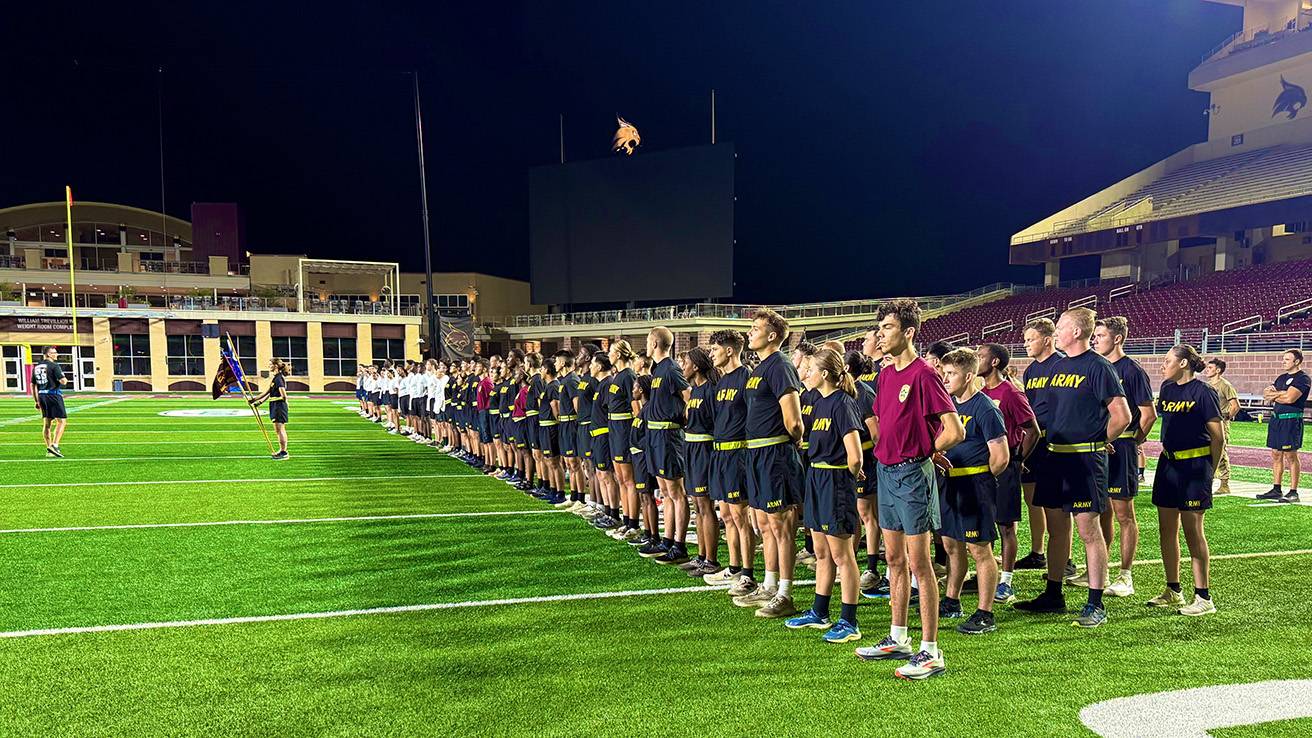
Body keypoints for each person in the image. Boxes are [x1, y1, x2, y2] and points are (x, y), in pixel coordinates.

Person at [854, 299, 964, 681]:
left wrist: (926, 454)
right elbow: (888, 426)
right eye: (879, 328)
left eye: (886, 327)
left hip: (911, 476)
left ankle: (931, 650)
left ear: (909, 331)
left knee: (919, 564)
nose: (880, 334)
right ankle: (898, 637)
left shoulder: (924, 374)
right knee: (894, 561)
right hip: (886, 473)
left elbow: (954, 430)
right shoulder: (885, 375)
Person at [1013, 307, 1130, 629]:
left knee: (1088, 531)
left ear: (1077, 332)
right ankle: (1053, 594)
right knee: (1057, 528)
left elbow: (1122, 416)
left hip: (1084, 460)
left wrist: (1097, 440)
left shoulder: (1099, 366)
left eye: (1062, 326)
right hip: (1055, 456)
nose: (1058, 331)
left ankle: (1095, 602)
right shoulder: (1058, 367)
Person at [783, 348, 865, 643]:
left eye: (810, 369)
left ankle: (849, 620)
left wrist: (851, 473)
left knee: (842, 554)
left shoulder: (843, 404)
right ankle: (820, 612)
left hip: (834, 481)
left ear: (825, 374)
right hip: (817, 478)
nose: (806, 373)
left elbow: (855, 455)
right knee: (821, 552)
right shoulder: (820, 401)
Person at [731, 308, 805, 619]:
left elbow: (794, 419)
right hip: (757, 454)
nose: (750, 333)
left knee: (781, 525)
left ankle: (785, 593)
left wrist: (793, 440)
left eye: (756, 328)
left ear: (772, 335)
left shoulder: (780, 365)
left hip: (775, 453)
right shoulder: (760, 368)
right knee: (763, 523)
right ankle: (770, 583)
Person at [1148, 344, 1223, 616]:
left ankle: (1203, 597)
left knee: (1193, 531)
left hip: (1195, 465)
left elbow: (1219, 437)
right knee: (1166, 529)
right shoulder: (1167, 390)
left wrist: (1208, 471)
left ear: (1183, 364)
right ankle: (1173, 590)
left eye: (1167, 360)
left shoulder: (1204, 392)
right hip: (1168, 464)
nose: (1162, 365)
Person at [937, 348, 1008, 635]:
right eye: (944, 373)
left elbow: (1000, 457)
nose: (946, 379)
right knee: (952, 544)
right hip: (950, 483)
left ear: (968, 376)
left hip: (975, 485)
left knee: (980, 549)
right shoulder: (949, 404)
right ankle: (952, 600)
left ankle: (985, 612)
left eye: (951, 374)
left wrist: (981, 480)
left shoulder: (985, 408)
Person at [1087, 316, 1156, 598]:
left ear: (1117, 339)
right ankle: (1098, 571)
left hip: (1121, 447)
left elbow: (1148, 414)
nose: (1095, 340)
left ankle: (1125, 575)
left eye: (1100, 335)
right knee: (1099, 510)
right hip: (1100, 449)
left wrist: (1133, 441)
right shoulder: (1097, 367)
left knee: (1124, 513)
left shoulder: (1132, 370)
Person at [977, 342, 1038, 605]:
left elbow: (1032, 429)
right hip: (983, 467)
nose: (976, 359)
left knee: (1006, 525)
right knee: (984, 522)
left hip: (1006, 465)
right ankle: (986, 574)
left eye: (980, 356)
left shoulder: (1011, 393)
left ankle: (1006, 581)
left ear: (994, 362)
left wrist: (1018, 458)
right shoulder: (980, 392)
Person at [710, 330, 758, 591]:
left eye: (715, 349)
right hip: (720, 453)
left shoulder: (745, 377)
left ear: (729, 350)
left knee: (740, 515)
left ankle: (748, 574)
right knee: (726, 513)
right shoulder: (721, 381)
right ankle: (734, 567)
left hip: (737, 453)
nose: (712, 354)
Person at [1017, 318, 1065, 575]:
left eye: (1030, 339)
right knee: (1032, 499)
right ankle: (1037, 552)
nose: (1025, 344)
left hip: (1057, 442)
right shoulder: (1031, 370)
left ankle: (1064, 557)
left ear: (1047, 339)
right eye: (1025, 340)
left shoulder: (1063, 365)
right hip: (1035, 440)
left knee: (1056, 504)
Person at [646, 327, 693, 565]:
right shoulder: (657, 370)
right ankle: (667, 540)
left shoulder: (671, 368)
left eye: (648, 340)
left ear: (655, 343)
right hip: (656, 436)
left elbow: (689, 395)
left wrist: (683, 419)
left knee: (676, 492)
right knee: (665, 492)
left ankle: (679, 544)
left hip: (668, 436)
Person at [848, 350, 889, 599]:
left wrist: (875, 459)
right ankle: (850, 561)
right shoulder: (846, 390)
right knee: (855, 512)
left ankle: (872, 568)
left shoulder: (863, 392)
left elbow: (876, 432)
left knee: (867, 514)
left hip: (867, 459)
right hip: (853, 459)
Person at [681, 346, 722, 576]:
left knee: (706, 506)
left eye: (686, 362)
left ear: (696, 366)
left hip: (704, 451)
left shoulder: (710, 390)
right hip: (692, 448)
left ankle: (711, 560)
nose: (682, 367)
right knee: (697, 506)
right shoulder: (696, 390)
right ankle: (701, 556)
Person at [1257, 349, 1307, 504]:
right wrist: (1281, 394)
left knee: (1290, 455)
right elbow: (1266, 394)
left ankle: (1293, 492)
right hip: (1276, 420)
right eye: (1283, 359)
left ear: (1297, 361)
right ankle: (1276, 488)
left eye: (1287, 359)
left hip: (1291, 420)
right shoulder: (1281, 378)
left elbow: (1290, 399)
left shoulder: (1303, 378)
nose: (1283, 362)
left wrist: (1277, 395)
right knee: (1276, 454)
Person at [1203, 358, 1239, 496]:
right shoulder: (1206, 385)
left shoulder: (1225, 385)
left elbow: (1235, 406)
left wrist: (1225, 417)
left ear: (1218, 370)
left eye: (1210, 368)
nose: (1207, 370)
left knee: (1221, 452)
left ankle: (1224, 483)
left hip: (1220, 421)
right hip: (1207, 421)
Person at [250, 357, 292, 460]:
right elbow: (268, 392)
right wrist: (256, 400)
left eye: (270, 364)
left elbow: (283, 395)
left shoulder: (279, 378)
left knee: (280, 429)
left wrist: (281, 400)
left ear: (276, 366)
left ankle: (284, 452)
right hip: (275, 406)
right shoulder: (275, 378)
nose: (269, 366)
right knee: (278, 430)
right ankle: (282, 450)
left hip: (278, 406)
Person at [32, 346, 69, 458]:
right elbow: (63, 381)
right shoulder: (54, 366)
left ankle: (49, 449)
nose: (56, 354)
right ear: (48, 354)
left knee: (47, 423)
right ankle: (55, 445)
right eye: (54, 352)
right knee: (62, 421)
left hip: (42, 395)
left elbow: (33, 385)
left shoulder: (36, 367)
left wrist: (36, 400)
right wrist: (65, 379)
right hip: (53, 395)